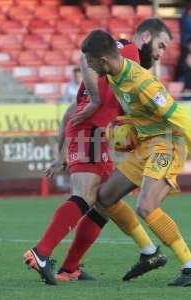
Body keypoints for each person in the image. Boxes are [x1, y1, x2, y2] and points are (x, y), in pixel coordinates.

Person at [23, 18, 174, 285]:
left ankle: (70, 268)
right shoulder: (128, 52)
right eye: (160, 45)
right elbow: (85, 58)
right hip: (89, 133)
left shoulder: (124, 71)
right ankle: (41, 252)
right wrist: (94, 101)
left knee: (104, 203)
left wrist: (62, 152)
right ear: (146, 36)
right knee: (85, 196)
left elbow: (73, 110)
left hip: (94, 135)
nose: (161, 54)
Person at [82, 30, 191, 286]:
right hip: (146, 145)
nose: (87, 66)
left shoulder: (143, 83)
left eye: (89, 61)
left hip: (168, 143)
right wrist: (121, 125)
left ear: (103, 60)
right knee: (104, 198)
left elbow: (182, 119)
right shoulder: (113, 77)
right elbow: (137, 112)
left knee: (146, 207)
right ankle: (149, 253)